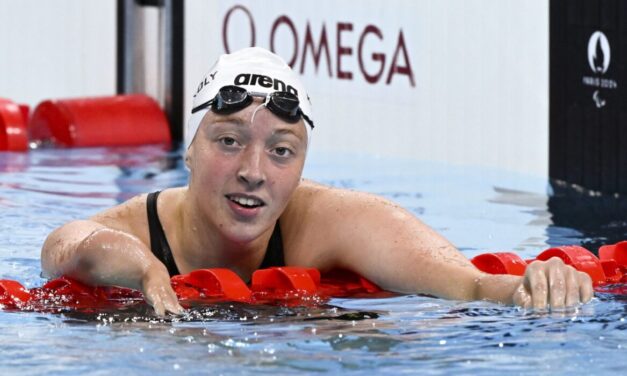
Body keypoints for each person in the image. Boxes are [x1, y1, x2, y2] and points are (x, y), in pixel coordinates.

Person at [40, 47, 593, 316]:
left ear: (302, 164)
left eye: (281, 151)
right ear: (188, 150)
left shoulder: (332, 219)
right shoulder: (138, 228)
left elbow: (468, 284)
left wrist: (536, 282)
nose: (254, 171)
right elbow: (63, 247)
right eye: (229, 141)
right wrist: (141, 268)